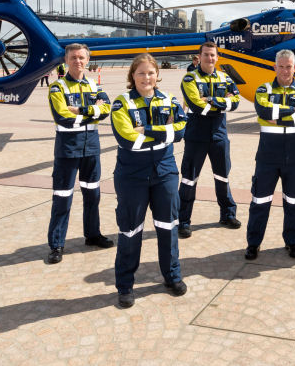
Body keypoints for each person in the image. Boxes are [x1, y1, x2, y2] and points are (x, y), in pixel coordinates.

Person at [110, 54, 188, 307]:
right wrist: (165, 132)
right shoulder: (121, 103)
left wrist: (148, 131)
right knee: (131, 229)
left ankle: (172, 276)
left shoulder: (169, 100)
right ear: (132, 76)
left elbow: (182, 131)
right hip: (132, 174)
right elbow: (127, 140)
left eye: (151, 73)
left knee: (168, 226)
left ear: (157, 75)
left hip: (165, 170)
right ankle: (125, 286)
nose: (146, 78)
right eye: (141, 73)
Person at [46, 43, 113, 264]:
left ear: (87, 60)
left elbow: (107, 109)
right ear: (66, 60)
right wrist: (94, 111)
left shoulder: (94, 84)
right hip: (68, 149)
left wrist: (83, 111)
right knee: (62, 198)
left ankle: (92, 235)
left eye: (82, 57)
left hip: (91, 149)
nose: (78, 61)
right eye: (73, 57)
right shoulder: (58, 87)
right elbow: (62, 116)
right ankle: (56, 244)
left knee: (92, 195)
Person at [245, 49, 295, 261]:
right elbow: (263, 112)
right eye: (281, 66)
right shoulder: (262, 89)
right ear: (274, 67)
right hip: (268, 155)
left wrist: (280, 116)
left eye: (289, 66)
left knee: (293, 201)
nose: (285, 70)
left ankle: (292, 241)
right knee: (260, 200)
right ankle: (253, 244)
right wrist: (293, 111)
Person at [177, 42, 241, 238]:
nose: (209, 58)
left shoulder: (225, 77)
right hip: (196, 136)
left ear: (217, 57)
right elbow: (196, 106)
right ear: (200, 56)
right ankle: (183, 221)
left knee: (223, 177)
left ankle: (227, 214)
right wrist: (223, 102)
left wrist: (211, 100)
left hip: (219, 136)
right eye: (206, 55)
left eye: (213, 55)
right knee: (189, 179)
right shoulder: (189, 78)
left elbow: (236, 102)